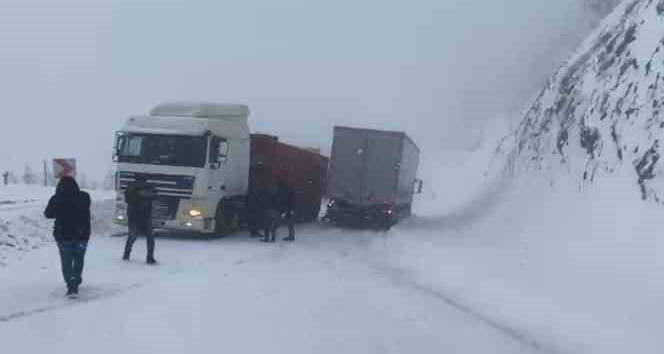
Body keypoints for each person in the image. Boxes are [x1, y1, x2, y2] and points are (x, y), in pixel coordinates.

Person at [44, 176, 91, 297]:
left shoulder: (56, 198)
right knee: (79, 259)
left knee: (66, 261)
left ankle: (71, 285)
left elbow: (48, 214)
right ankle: (76, 279)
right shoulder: (85, 197)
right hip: (82, 235)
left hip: (63, 235)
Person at [123, 176, 158, 264]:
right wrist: (143, 194)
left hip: (137, 215)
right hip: (141, 215)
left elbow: (153, 195)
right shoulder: (147, 186)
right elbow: (154, 195)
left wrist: (139, 194)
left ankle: (127, 254)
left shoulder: (132, 186)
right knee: (149, 238)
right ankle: (149, 258)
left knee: (133, 236)